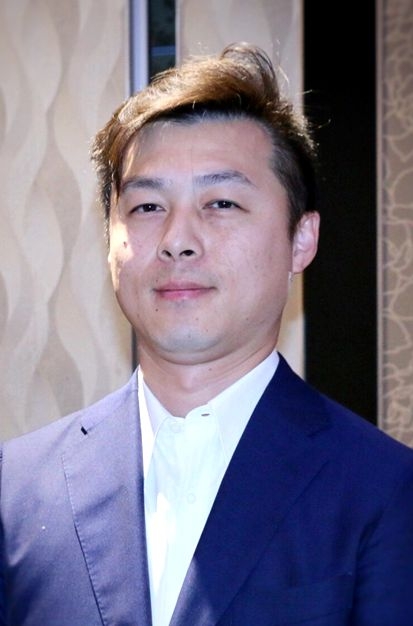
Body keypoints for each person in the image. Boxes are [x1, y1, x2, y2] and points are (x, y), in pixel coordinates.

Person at [1, 42, 413, 626]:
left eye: (221, 202)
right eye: (147, 207)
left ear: (301, 240)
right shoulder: (16, 488)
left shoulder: (386, 491)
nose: (177, 240)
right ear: (109, 239)